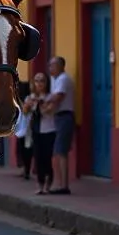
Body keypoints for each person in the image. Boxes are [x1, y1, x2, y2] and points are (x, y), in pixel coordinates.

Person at [44, 56, 75, 194]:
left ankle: (63, 185)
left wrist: (44, 105)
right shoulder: (54, 80)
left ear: (61, 66)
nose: (50, 68)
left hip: (64, 117)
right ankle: (59, 183)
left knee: (60, 151)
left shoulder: (63, 79)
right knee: (57, 151)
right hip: (58, 117)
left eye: (53, 65)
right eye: (50, 65)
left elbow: (57, 97)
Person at [24, 72, 55, 195]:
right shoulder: (30, 97)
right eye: (37, 81)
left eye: (42, 81)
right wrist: (29, 105)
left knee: (47, 158)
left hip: (49, 130)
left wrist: (40, 103)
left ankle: (48, 183)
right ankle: (40, 184)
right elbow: (25, 112)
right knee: (37, 158)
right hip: (35, 132)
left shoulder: (50, 97)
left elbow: (48, 112)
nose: (39, 84)